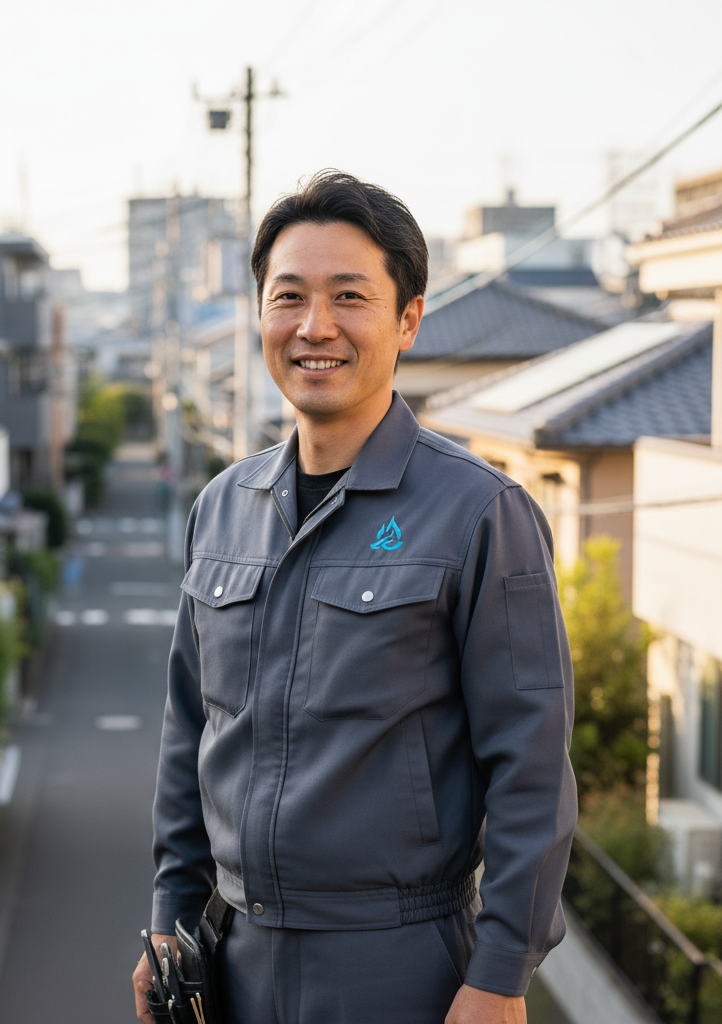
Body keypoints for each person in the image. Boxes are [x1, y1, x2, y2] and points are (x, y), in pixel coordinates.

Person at [132, 170, 576, 1023]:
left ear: (408, 319)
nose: (314, 327)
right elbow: (191, 731)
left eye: (350, 298)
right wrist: (167, 922)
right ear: (260, 312)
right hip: (229, 962)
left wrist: (500, 977)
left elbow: (531, 768)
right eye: (288, 296)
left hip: (401, 966)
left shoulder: (481, 513)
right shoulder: (222, 508)